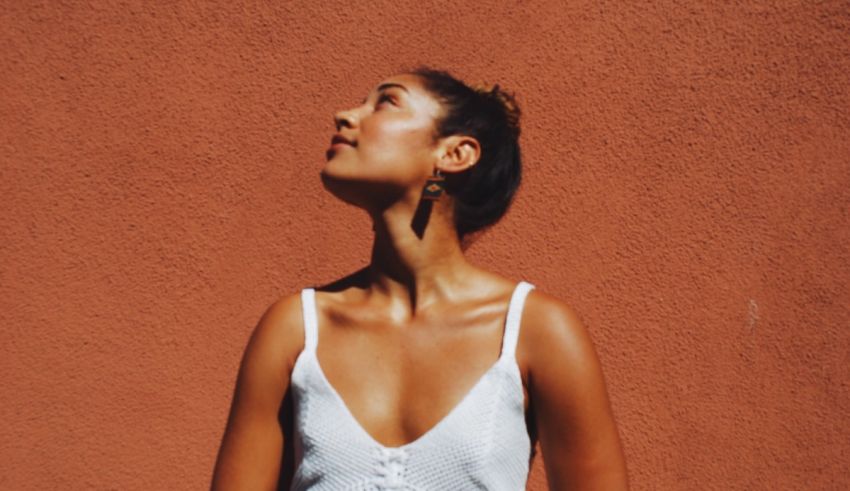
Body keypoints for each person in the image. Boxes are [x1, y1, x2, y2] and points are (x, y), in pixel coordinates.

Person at [210, 66, 629, 490]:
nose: (344, 115)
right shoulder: (295, 329)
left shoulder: (534, 331)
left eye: (386, 101)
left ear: (454, 154)